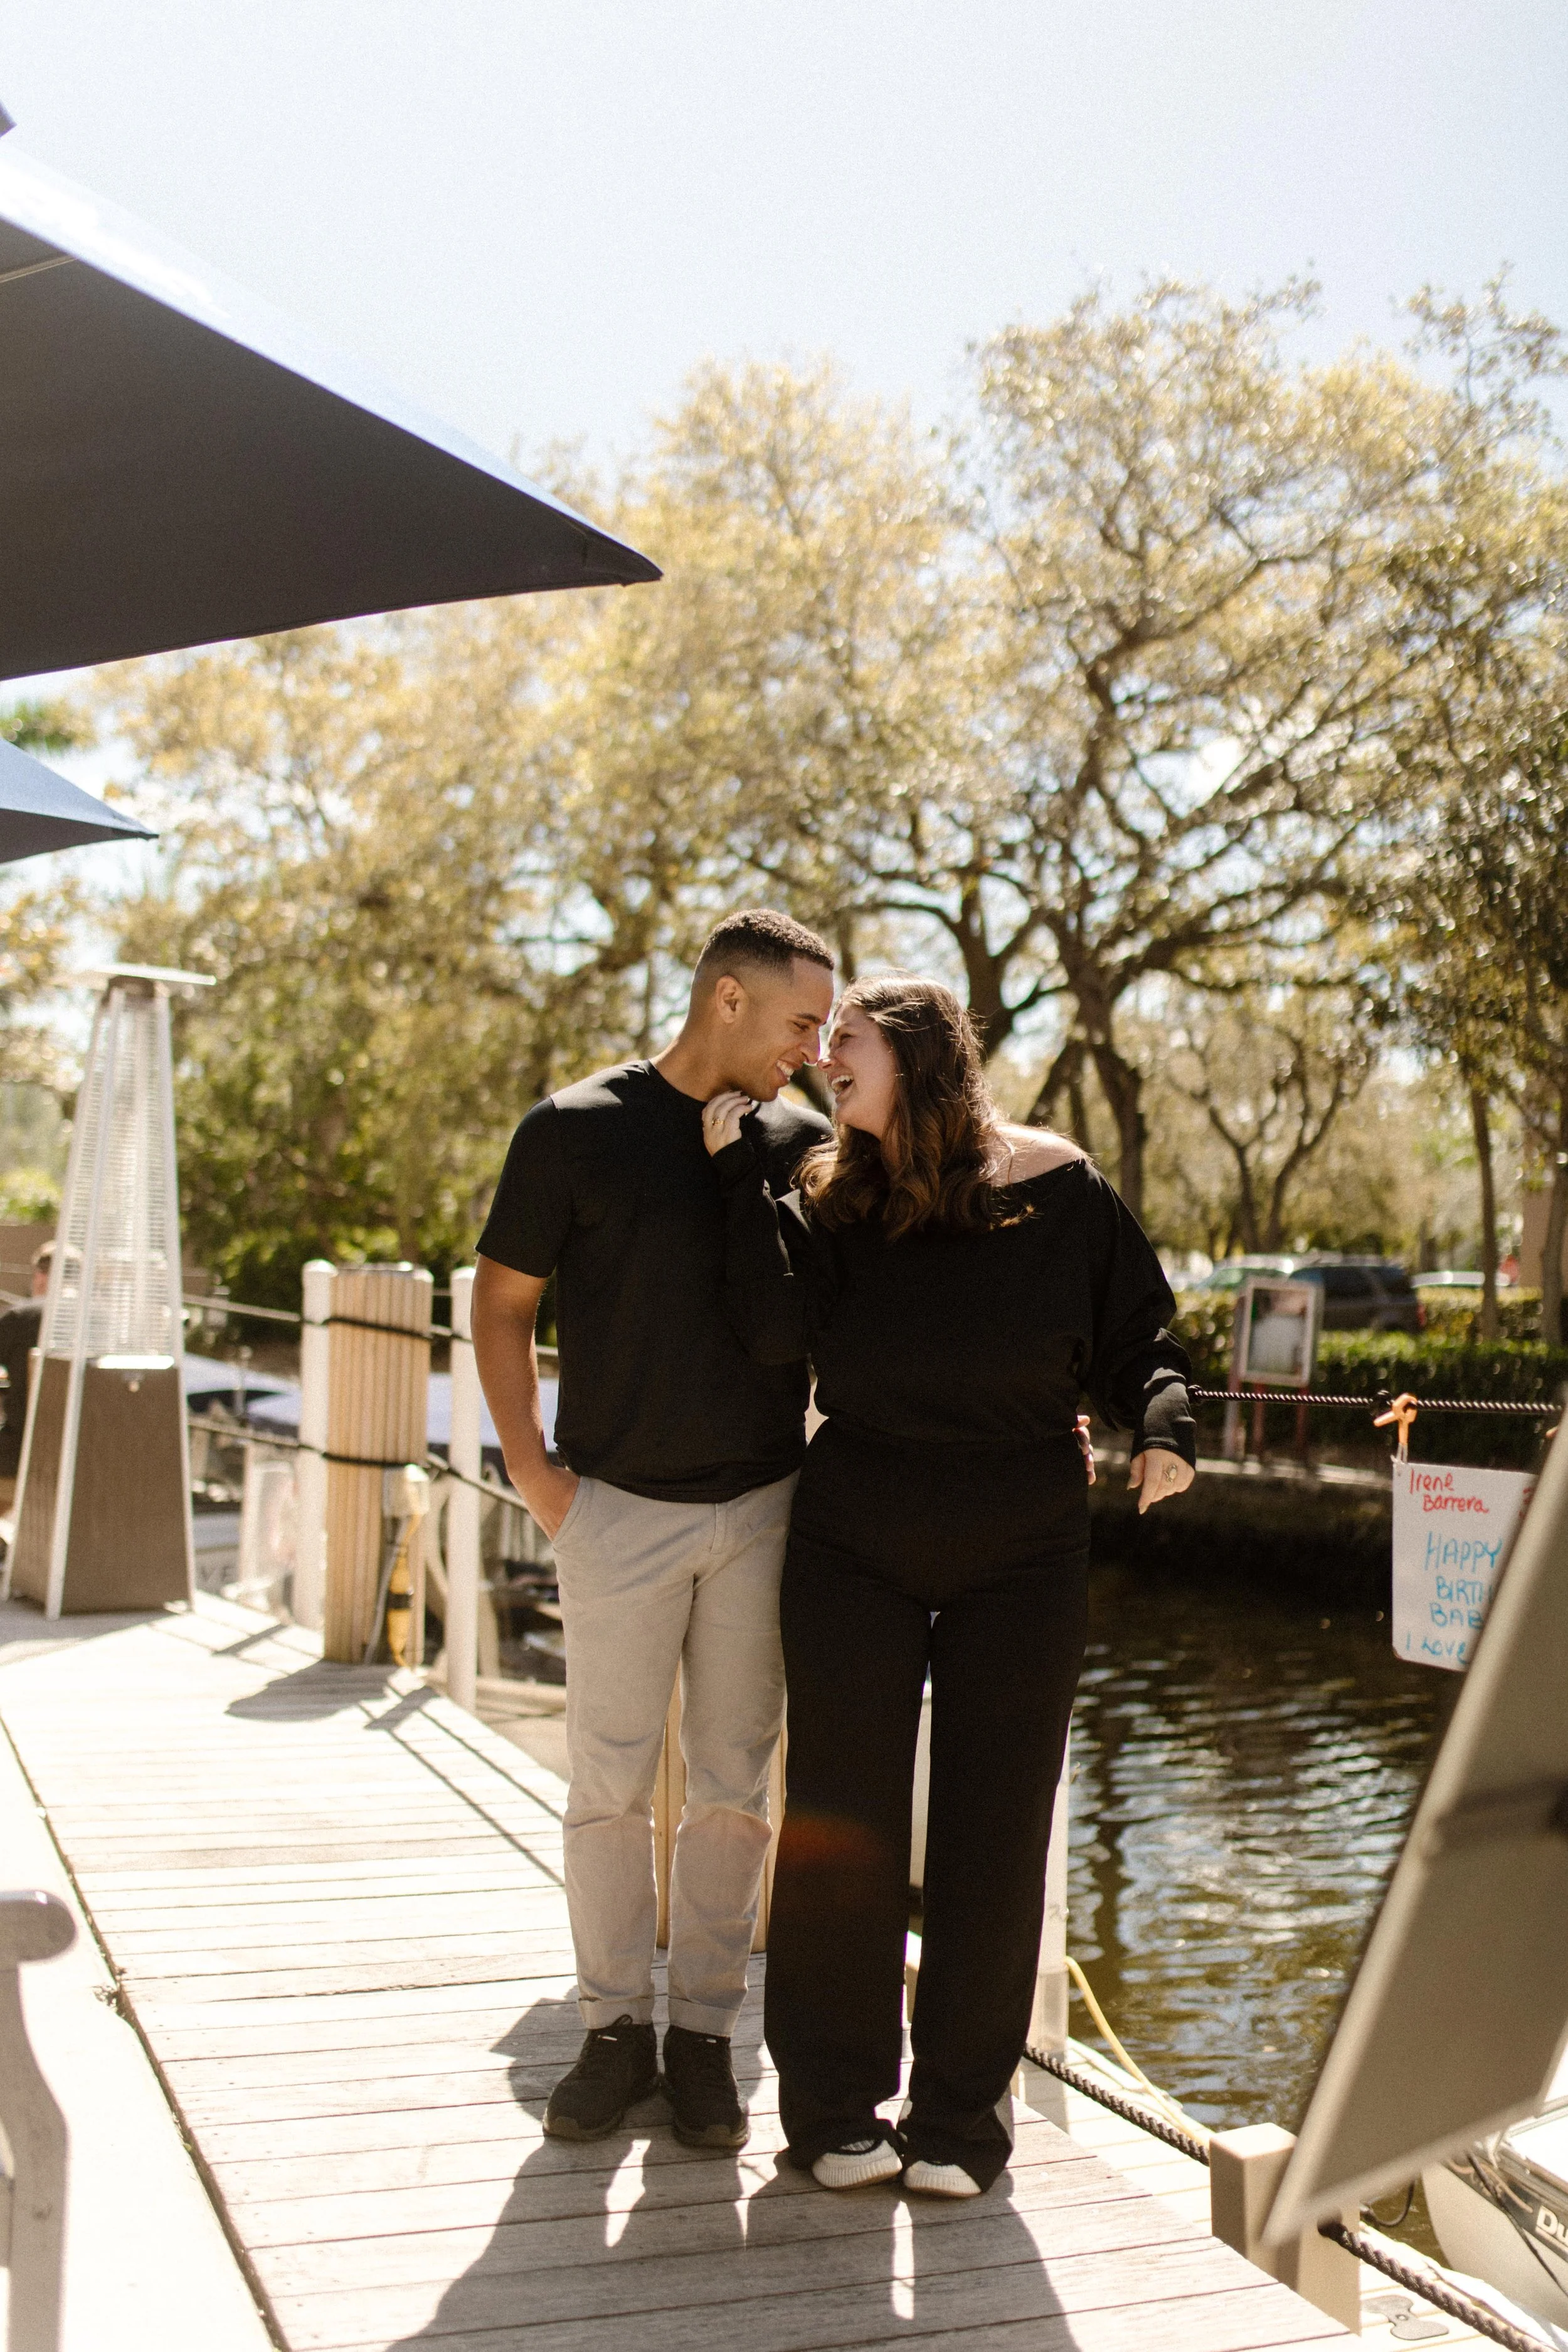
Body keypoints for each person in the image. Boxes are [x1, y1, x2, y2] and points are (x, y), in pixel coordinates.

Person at [702, 975, 1195, 2198]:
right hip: (852, 1539)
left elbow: (1141, 1330)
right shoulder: (828, 1196)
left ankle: (963, 2123)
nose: (825, 1060)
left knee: (993, 1830)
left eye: (846, 1041)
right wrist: (733, 1188)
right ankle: (830, 2113)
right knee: (841, 1828)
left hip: (1020, 1547)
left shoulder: (1063, 1190)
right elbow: (772, 1338)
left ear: (915, 1054)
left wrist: (1162, 1427)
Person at [472, 910, 835, 2150]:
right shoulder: (571, 1130)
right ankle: (613, 2027)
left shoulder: (797, 1139)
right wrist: (534, 1472)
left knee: (734, 1790)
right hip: (615, 1511)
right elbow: (502, 1305)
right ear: (725, 1000)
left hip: (761, 1514)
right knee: (607, 1789)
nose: (813, 1050)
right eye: (799, 1023)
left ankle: (701, 2042)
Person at [0, 1242, 51, 1513]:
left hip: (21, 1453)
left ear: (40, 1277)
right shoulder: (104, 1319)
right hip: (86, 1456)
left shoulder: (24, 1317)